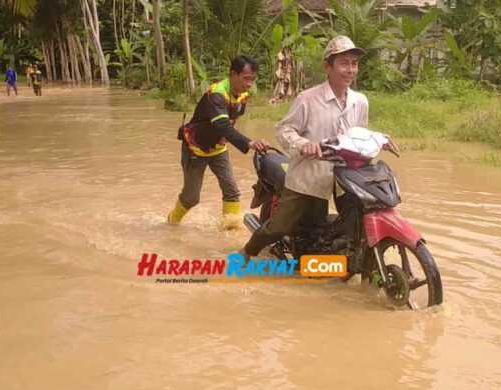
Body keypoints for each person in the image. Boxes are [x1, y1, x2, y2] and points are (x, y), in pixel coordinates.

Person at [240, 36, 396, 258]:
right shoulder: (308, 99)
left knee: (357, 223)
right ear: (327, 67)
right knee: (280, 227)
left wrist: (378, 138)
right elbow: (283, 130)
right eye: (344, 63)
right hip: (309, 175)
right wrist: (305, 145)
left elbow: (357, 134)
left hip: (346, 177)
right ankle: (245, 253)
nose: (350, 70)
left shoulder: (360, 101)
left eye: (354, 63)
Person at [167, 55, 270, 226]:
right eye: (246, 78)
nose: (250, 84)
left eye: (253, 79)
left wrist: (227, 137)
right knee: (191, 198)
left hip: (218, 148)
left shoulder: (243, 95)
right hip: (195, 148)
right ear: (233, 74)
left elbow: (229, 121)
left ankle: (229, 232)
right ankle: (171, 222)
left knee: (232, 192)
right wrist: (249, 142)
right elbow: (222, 124)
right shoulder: (216, 94)